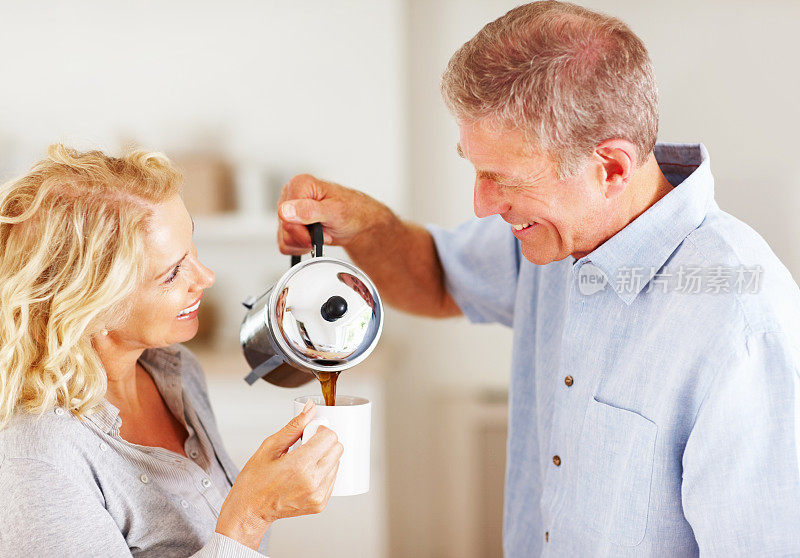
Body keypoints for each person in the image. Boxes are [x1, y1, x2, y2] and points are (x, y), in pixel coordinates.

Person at [277, 1, 800, 556]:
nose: (481, 205)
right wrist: (364, 223)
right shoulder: (552, 235)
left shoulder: (742, 326)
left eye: (504, 179)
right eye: (475, 169)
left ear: (612, 168)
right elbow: (436, 279)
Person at [0, 145, 343, 557]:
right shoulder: (38, 462)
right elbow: (240, 528)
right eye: (171, 274)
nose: (207, 277)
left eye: (191, 249)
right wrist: (251, 514)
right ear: (91, 304)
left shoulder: (176, 371)